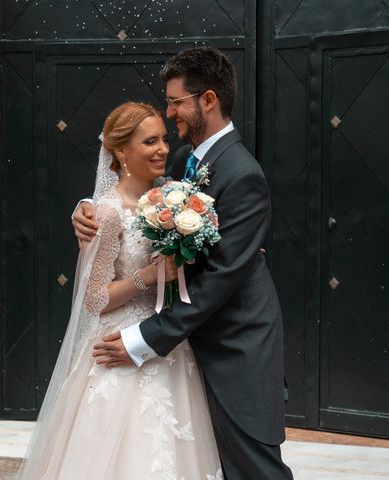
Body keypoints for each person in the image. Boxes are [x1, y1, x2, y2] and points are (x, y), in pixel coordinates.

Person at [76, 48, 294, 479]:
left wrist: (144, 339)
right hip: (190, 347)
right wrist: (84, 210)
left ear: (207, 100)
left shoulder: (241, 173)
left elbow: (219, 279)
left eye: (176, 102)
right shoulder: (181, 162)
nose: (169, 112)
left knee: (254, 468)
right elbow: (127, 197)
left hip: (235, 344)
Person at [16, 102, 223, 479]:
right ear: (121, 151)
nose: (162, 148)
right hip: (117, 344)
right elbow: (95, 297)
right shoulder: (107, 214)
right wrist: (150, 274)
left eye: (163, 138)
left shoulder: (174, 196)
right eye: (149, 142)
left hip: (165, 342)